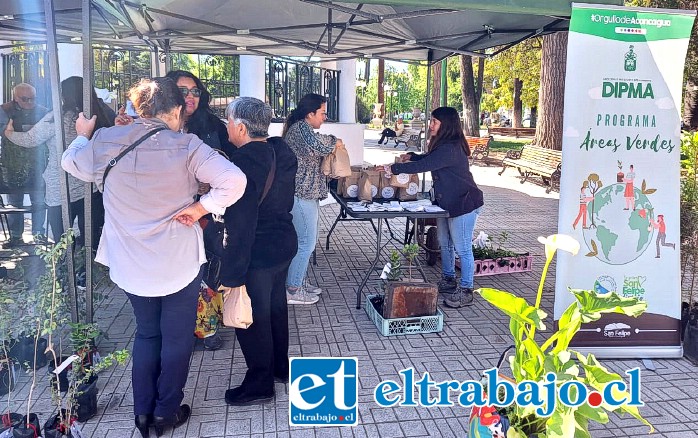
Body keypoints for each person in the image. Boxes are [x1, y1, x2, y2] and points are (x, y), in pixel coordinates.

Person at [61, 77, 247, 438]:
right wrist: (200, 208)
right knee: (176, 338)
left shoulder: (106, 139)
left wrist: (84, 132)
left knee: (147, 334)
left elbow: (72, 163)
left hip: (129, 261)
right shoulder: (188, 145)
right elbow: (234, 181)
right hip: (178, 260)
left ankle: (141, 415)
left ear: (137, 108)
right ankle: (165, 413)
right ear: (176, 110)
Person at [219, 97, 298, 406]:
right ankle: (280, 366)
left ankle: (260, 383)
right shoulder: (281, 151)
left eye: (227, 121)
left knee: (252, 318)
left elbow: (241, 225)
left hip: (258, 250)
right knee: (276, 308)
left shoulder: (242, 163)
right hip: (283, 242)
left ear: (240, 127)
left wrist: (233, 274)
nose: (226, 126)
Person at [380, 106, 484, 308]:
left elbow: (424, 166)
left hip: (464, 204)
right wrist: (413, 155)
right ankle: (448, 279)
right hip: (447, 203)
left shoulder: (450, 148)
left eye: (434, 122)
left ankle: (466, 289)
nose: (430, 125)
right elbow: (429, 160)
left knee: (462, 249)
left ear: (446, 125)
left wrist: (393, 168)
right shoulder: (444, 145)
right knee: (444, 242)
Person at [165, 70, 234, 350]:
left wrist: (211, 184)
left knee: (207, 268)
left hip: (205, 213)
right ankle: (178, 330)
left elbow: (231, 164)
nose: (190, 96)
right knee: (174, 273)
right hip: (167, 213)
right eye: (183, 91)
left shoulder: (212, 126)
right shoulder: (154, 128)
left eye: (195, 91)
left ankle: (206, 328)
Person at [5, 77, 113, 246]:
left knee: (62, 241)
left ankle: (66, 269)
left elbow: (30, 139)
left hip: (61, 187)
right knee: (90, 239)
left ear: (65, 95)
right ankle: (89, 269)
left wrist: (9, 133)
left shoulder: (59, 118)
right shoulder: (102, 114)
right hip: (92, 185)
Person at [283, 93, 345, 305]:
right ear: (310, 114)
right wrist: (335, 141)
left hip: (307, 194)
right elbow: (319, 145)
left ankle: (296, 281)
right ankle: (292, 289)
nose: (324, 117)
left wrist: (332, 141)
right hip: (301, 195)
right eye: (322, 113)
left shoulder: (302, 128)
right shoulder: (301, 129)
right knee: (306, 243)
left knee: (307, 240)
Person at [0, 83, 49, 247]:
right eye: (25, 99)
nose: (30, 102)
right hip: (13, 164)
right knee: (15, 203)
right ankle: (15, 236)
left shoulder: (43, 111)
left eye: (32, 98)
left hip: (37, 164)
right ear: (15, 98)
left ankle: (38, 235)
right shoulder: (4, 110)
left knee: (39, 202)